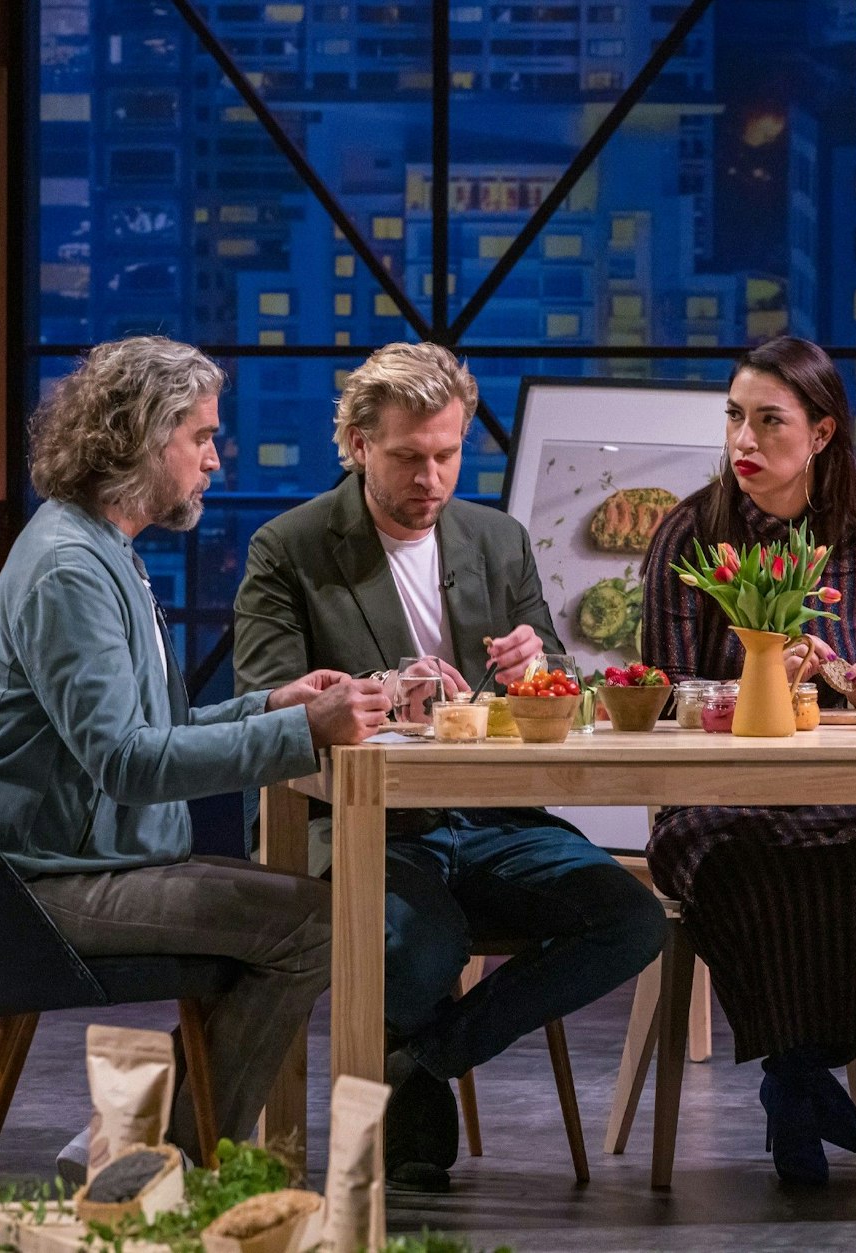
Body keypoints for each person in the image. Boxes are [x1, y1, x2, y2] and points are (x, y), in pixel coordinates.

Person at [232, 342, 665, 1192]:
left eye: (447, 453)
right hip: (352, 822)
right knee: (416, 945)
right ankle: (415, 1087)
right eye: (407, 457)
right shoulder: (290, 548)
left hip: (491, 818)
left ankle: (426, 1060)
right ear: (357, 443)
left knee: (632, 920)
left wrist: (540, 665)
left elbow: (566, 693)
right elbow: (261, 702)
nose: (431, 476)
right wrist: (384, 689)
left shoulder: (496, 540)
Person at [0, 336, 387, 1181]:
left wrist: (272, 704)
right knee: (311, 922)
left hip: (83, 857)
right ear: (146, 438)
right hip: (46, 882)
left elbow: (154, 726)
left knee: (294, 918)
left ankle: (132, 1149)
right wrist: (305, 736)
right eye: (202, 437)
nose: (214, 459)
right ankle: (168, 1169)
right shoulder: (71, 569)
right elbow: (127, 762)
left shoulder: (102, 548)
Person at [641, 336, 856, 1186]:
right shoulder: (691, 534)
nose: (744, 442)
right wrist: (756, 673)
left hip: (837, 795)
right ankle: (801, 1081)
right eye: (734, 418)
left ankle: (791, 1078)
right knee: (742, 862)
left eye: (769, 421)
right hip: (711, 796)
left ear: (823, 433)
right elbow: (663, 697)